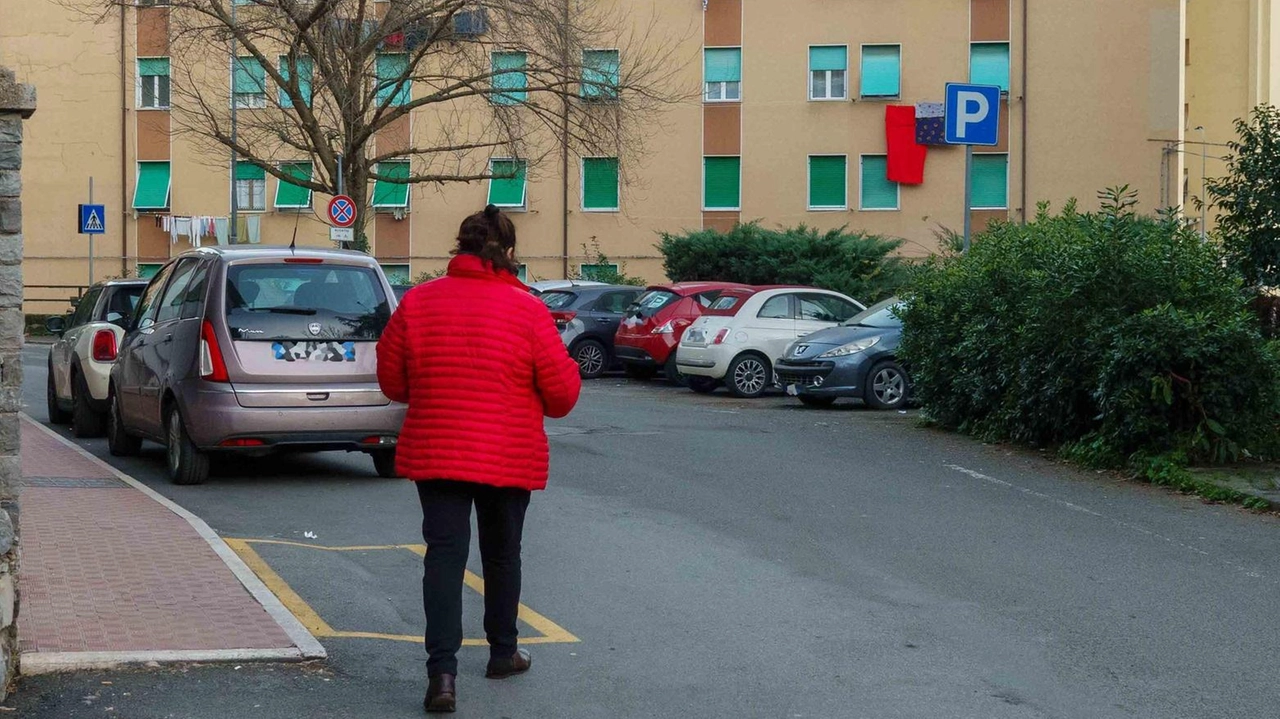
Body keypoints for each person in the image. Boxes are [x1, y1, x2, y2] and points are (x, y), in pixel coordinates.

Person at [377, 204, 582, 713]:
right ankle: (503, 653)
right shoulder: (529, 309)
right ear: (508, 252)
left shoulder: (418, 302)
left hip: (438, 446)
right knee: (501, 554)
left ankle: (442, 676)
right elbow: (560, 398)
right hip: (508, 452)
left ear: (460, 247)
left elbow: (392, 381)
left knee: (444, 557)